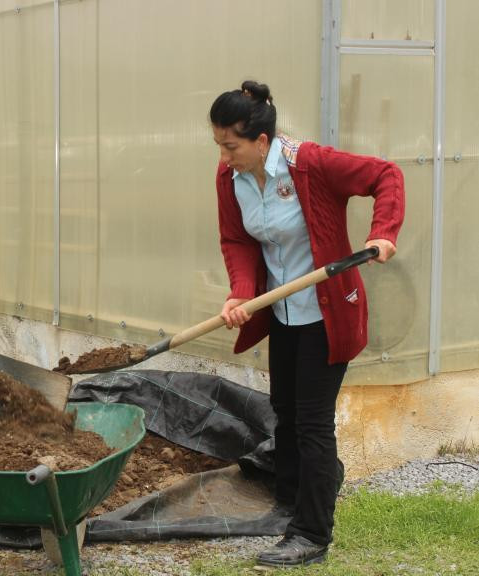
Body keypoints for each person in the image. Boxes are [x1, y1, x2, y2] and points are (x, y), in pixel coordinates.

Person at [209, 81, 404, 567]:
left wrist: (382, 234)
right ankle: (289, 504)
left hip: (327, 311)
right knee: (285, 412)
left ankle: (312, 533)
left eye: (230, 146)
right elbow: (237, 240)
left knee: (313, 422)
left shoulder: (310, 164)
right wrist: (241, 291)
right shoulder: (229, 177)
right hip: (283, 311)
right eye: (218, 146)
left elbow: (386, 175)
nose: (223, 156)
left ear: (261, 140)